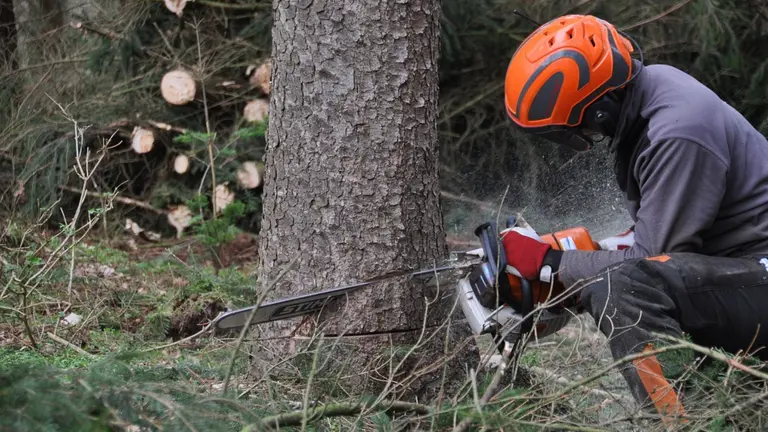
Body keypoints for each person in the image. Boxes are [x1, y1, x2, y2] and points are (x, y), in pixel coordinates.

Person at [499, 13, 768, 424]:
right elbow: (657, 238)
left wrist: (553, 266)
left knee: (625, 289)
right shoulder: (650, 95)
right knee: (617, 274)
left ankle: (688, 422)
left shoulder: (677, 132)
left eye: (573, 127)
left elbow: (652, 263)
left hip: (759, 271)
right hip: (744, 269)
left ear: (600, 109)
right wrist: (567, 251)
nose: (579, 137)